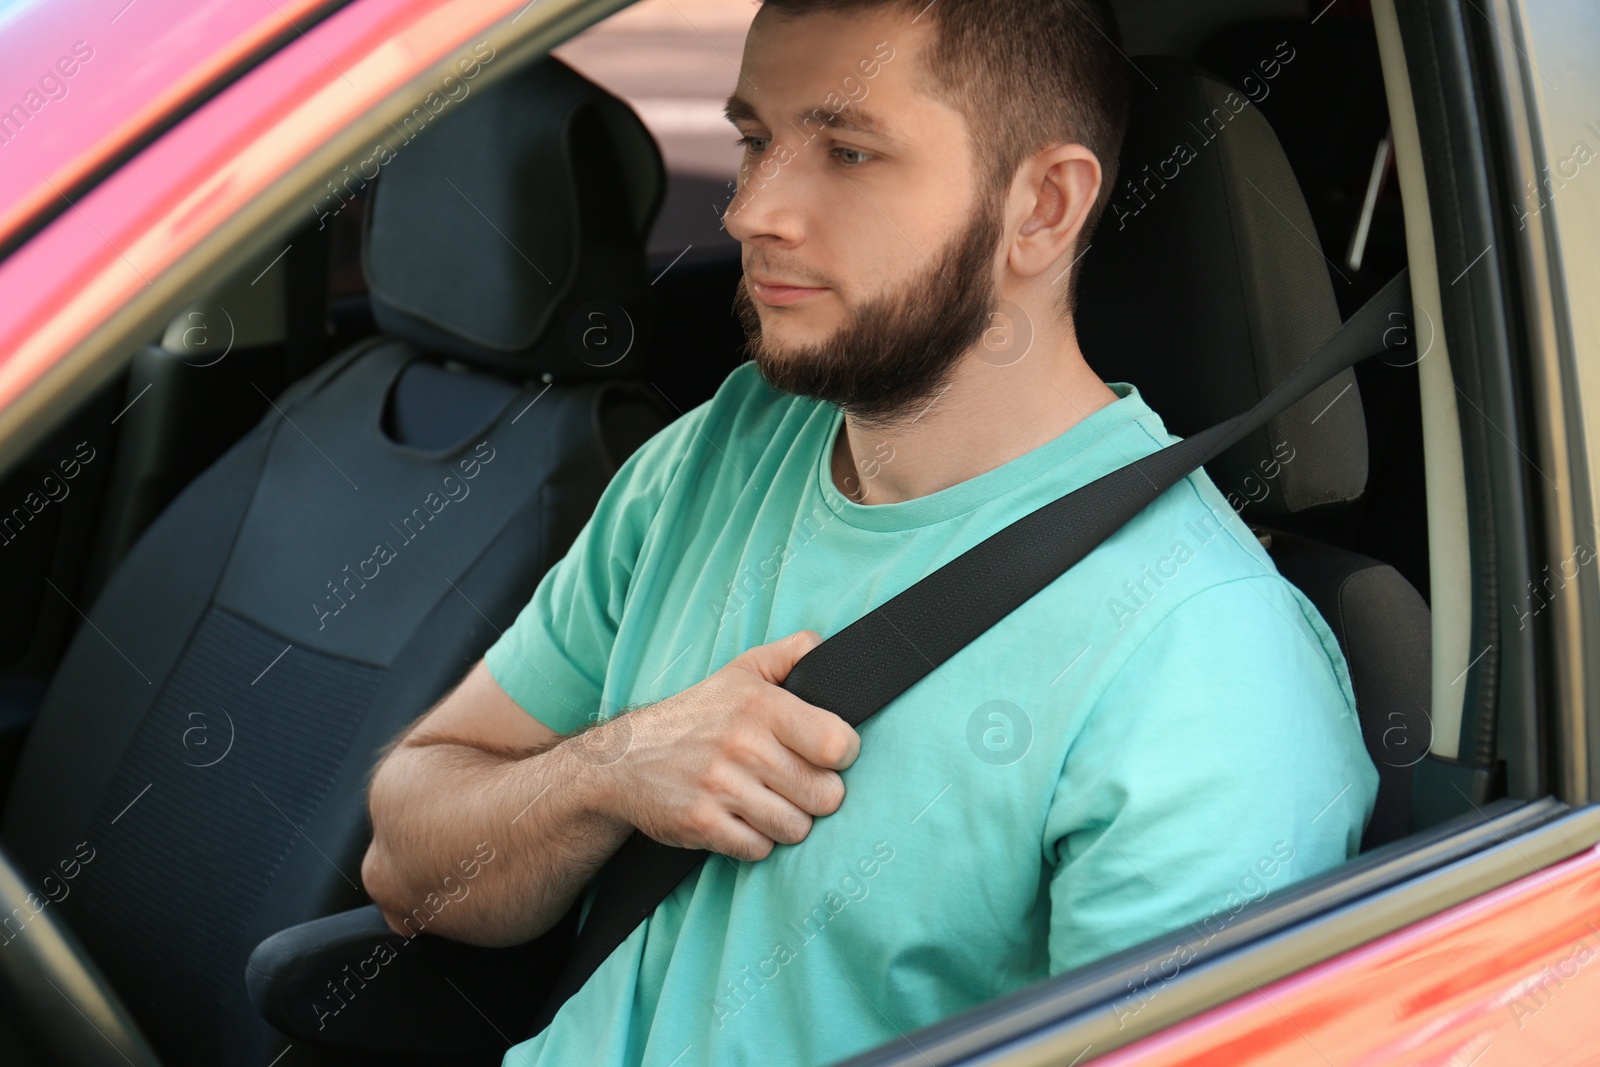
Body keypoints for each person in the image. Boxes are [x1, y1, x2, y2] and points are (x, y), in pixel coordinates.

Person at [360, 1, 1378, 1064]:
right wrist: (611, 767)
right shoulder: (717, 452)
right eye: (755, 140)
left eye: (847, 151)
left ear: (1042, 204)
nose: (754, 210)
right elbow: (403, 853)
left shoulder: (1202, 664)